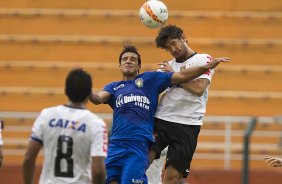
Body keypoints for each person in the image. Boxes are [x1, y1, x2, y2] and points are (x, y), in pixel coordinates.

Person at [90, 45, 229, 184]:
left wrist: (207, 67)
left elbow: (182, 75)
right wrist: (87, 90)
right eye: (125, 59)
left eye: (133, 59)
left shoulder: (150, 79)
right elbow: (97, 99)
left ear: (139, 66)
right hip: (116, 145)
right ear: (119, 66)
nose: (128, 61)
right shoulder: (113, 87)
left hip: (140, 144)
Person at [147, 24, 218, 184]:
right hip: (162, 120)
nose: (173, 49)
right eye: (168, 48)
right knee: (141, 162)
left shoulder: (203, 60)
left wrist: (173, 74)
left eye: (174, 43)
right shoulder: (165, 67)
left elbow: (199, 88)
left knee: (172, 179)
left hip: (188, 124)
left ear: (183, 38)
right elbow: (155, 92)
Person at [22, 68, 108, 184]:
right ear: (89, 94)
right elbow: (98, 171)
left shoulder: (46, 115)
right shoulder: (96, 124)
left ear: (66, 90)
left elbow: (28, 158)